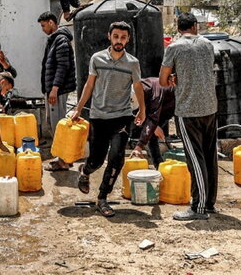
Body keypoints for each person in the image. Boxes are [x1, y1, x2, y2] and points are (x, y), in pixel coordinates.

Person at [70, 21, 145, 218]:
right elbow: (89, 84)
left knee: (116, 157)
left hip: (122, 116)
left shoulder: (132, 63)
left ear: (128, 39)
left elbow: (138, 87)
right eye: (116, 36)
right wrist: (78, 109)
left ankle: (102, 198)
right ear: (109, 36)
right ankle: (85, 172)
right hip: (98, 116)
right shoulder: (97, 59)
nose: (119, 41)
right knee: (96, 159)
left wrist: (142, 110)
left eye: (123, 37)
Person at [159, 12, 218, 221]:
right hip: (210, 107)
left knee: (195, 158)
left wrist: (176, 78)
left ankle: (198, 207)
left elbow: (163, 80)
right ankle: (209, 203)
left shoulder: (174, 47)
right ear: (195, 26)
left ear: (178, 28)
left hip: (188, 110)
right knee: (210, 156)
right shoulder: (207, 45)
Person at [38, 11, 77, 171]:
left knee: (58, 126)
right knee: (55, 124)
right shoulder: (56, 40)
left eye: (43, 25)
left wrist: (54, 89)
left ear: (52, 23)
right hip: (54, 90)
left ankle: (63, 161)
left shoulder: (60, 40)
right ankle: (64, 158)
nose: (42, 29)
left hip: (58, 91)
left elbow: (62, 67)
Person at [129, 78, 176, 169]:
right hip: (155, 108)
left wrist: (139, 146)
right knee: (151, 131)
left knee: (152, 133)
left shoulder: (156, 94)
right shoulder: (134, 88)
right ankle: (159, 166)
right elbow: (138, 114)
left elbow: (153, 119)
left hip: (171, 105)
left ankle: (160, 167)